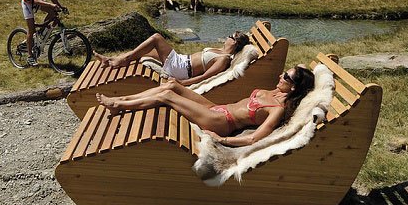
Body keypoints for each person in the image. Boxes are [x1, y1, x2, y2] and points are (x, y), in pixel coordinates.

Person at [97, 65, 315, 146]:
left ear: (294, 88)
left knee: (166, 97)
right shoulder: (276, 91)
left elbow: (254, 137)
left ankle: (120, 105)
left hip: (221, 122)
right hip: (216, 108)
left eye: (286, 76)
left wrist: (223, 140)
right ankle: (125, 100)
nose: (280, 75)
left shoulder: (276, 110)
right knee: (171, 85)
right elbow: (305, 72)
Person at [94, 31, 251, 86]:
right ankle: (111, 60)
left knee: (156, 38)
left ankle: (122, 60)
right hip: (181, 61)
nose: (227, 37)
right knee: (141, 51)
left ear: (235, 42)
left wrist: (182, 83)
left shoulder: (224, 59)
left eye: (230, 36)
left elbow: (205, 77)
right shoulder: (220, 50)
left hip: (181, 69)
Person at [22, 0, 65, 66]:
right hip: (28, 3)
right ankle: (30, 57)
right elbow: (36, 0)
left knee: (53, 13)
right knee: (31, 30)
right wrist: (51, 5)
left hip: (38, 2)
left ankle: (41, 32)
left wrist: (60, 6)